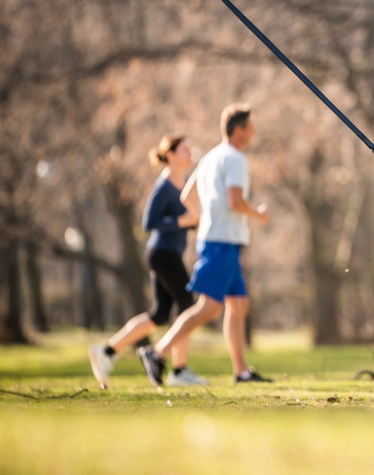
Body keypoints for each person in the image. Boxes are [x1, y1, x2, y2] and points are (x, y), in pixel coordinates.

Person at [139, 105, 272, 386]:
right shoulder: (235, 159)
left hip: (222, 240)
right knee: (209, 308)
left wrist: (205, 217)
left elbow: (188, 195)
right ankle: (157, 352)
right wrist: (258, 214)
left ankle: (242, 372)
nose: (254, 132)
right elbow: (235, 201)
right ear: (238, 131)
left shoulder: (211, 157)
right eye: (250, 127)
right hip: (221, 242)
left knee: (238, 305)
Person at [88, 135, 207, 388]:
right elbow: (149, 223)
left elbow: (188, 220)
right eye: (185, 149)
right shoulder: (164, 186)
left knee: (160, 314)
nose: (190, 154)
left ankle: (107, 351)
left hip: (168, 254)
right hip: (162, 254)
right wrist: (181, 221)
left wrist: (195, 222)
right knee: (187, 306)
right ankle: (179, 370)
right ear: (171, 154)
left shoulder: (183, 183)